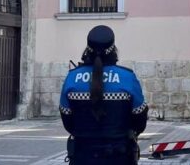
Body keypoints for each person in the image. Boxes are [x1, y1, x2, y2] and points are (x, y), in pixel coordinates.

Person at [59, 25, 148, 164]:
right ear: (113, 50)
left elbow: (68, 122)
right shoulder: (127, 78)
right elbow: (140, 120)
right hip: (120, 156)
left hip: (82, 156)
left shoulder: (72, 78)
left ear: (87, 49)